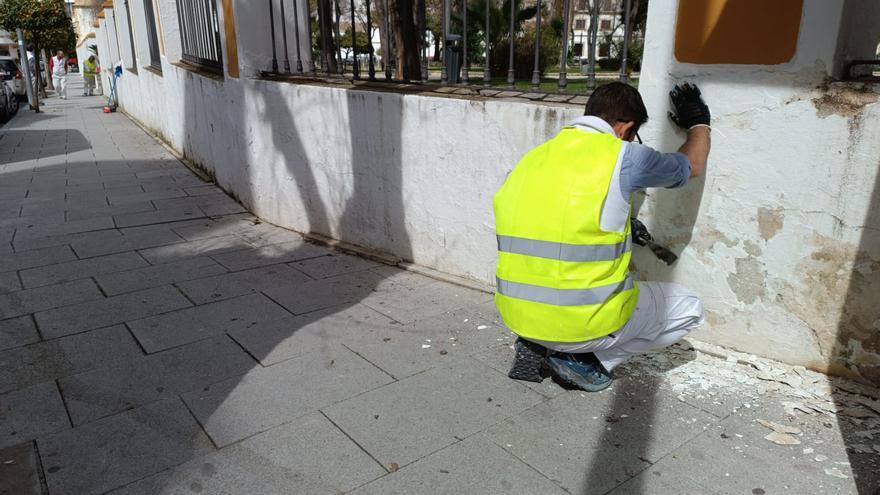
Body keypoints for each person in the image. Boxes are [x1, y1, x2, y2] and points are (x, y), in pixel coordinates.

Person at [494, 82, 712, 392]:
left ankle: (539, 344)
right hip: (583, 325)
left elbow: (558, 218)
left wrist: (620, 224)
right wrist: (699, 123)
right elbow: (691, 165)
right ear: (626, 127)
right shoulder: (624, 156)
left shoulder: (531, 160)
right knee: (690, 307)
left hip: (519, 315)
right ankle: (586, 361)